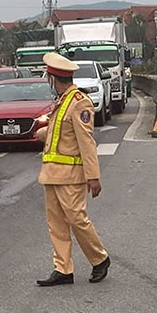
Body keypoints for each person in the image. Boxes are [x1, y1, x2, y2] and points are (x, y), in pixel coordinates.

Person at [34, 52, 110, 287]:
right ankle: (63, 269)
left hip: (71, 176)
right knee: (55, 224)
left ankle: (100, 259)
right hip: (52, 174)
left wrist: (93, 177)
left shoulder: (79, 103)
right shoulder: (62, 101)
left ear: (53, 79)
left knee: (77, 219)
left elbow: (86, 141)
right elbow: (60, 133)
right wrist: (41, 133)